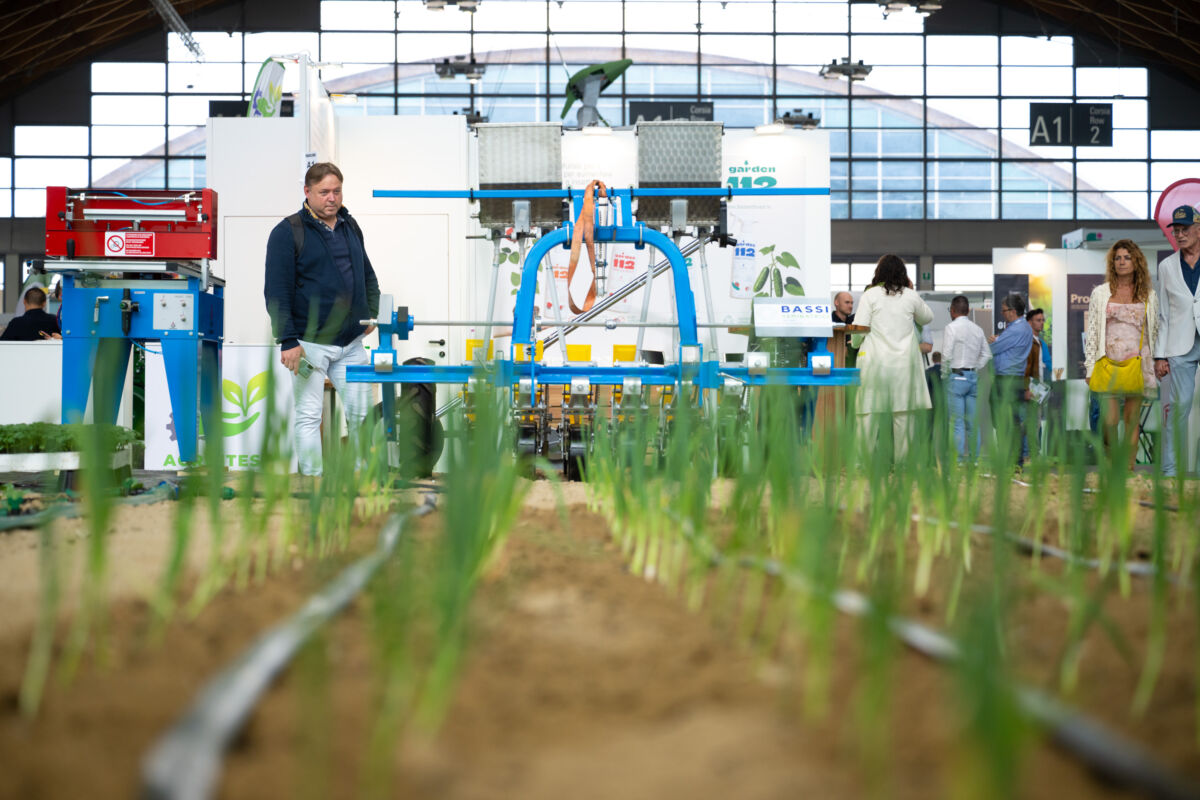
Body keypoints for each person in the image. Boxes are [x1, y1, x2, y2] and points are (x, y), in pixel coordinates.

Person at [264, 162, 380, 478]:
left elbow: (367, 274)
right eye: (324, 191)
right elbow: (276, 292)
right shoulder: (287, 232)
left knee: (360, 413)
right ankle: (313, 481)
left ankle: (360, 476)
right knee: (309, 415)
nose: (331, 198)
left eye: (336, 191)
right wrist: (287, 340)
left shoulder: (350, 226)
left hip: (351, 344)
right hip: (308, 343)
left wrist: (371, 313)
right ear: (307, 192)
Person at [851, 254, 933, 463]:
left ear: (878, 272)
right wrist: (911, 291)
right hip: (903, 366)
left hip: (874, 364)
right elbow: (927, 317)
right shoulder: (910, 296)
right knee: (903, 415)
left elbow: (859, 329)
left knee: (868, 414)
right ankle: (902, 466)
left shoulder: (870, 295)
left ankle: (863, 464)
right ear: (903, 274)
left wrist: (855, 344)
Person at [1085, 240, 1159, 468]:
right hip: (1108, 361)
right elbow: (1093, 331)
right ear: (1112, 262)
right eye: (1118, 258)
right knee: (1109, 420)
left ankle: (1127, 469)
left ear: (1136, 261)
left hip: (1138, 360)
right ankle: (1111, 460)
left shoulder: (1149, 295)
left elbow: (1154, 331)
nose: (1122, 262)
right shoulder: (1100, 293)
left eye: (1127, 257)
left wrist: (1155, 362)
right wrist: (1090, 366)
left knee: (1131, 420)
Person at [1155, 205, 1200, 477]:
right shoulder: (1166, 267)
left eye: (1185, 229)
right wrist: (1160, 355)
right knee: (1178, 410)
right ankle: (1171, 473)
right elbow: (1163, 314)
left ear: (1199, 229)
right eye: (1177, 231)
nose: (1180, 235)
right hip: (1179, 345)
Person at [941, 295, 991, 462]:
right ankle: (974, 460)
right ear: (968, 310)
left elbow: (946, 355)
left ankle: (958, 461)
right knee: (972, 423)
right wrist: (975, 367)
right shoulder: (977, 329)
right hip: (972, 378)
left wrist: (944, 375)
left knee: (957, 423)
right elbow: (987, 354)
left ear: (953, 311)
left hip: (956, 377)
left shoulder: (951, 327)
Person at [988, 293, 1033, 468]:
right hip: (1010, 379)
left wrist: (995, 340)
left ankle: (1012, 461)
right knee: (1007, 421)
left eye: (1004, 310)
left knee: (1007, 422)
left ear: (1013, 311)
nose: (1002, 313)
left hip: (1007, 380)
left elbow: (993, 348)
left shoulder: (1017, 329)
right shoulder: (1018, 328)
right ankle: (1011, 461)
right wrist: (998, 339)